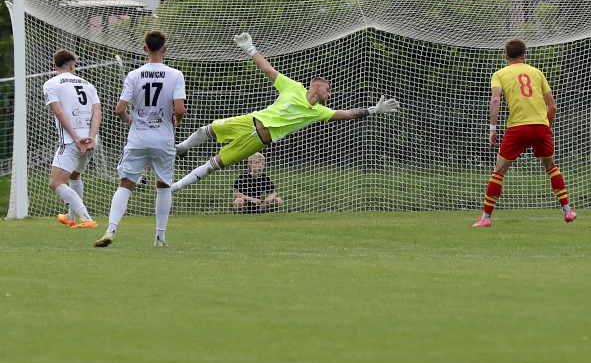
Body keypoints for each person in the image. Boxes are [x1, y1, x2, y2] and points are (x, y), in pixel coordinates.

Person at [169, 33, 400, 192]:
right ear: (317, 87)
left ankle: (173, 187)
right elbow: (268, 70)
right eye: (328, 90)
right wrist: (250, 49)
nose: (329, 95)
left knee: (212, 165)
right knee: (204, 130)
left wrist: (373, 110)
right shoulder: (294, 87)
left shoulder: (318, 111)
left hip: (258, 142)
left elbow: (347, 114)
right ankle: (180, 149)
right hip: (249, 121)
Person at [94, 31, 187, 248]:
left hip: (137, 139)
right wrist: (177, 120)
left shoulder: (134, 75)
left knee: (125, 186)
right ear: (165, 49)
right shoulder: (175, 74)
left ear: (144, 49)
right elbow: (180, 109)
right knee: (163, 187)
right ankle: (160, 238)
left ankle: (111, 230)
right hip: (163, 139)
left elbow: (119, 109)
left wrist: (130, 121)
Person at [473, 37, 575, 227]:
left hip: (517, 128)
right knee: (551, 168)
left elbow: (495, 101)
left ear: (506, 56)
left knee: (499, 172)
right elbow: (552, 106)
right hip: (540, 127)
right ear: (524, 55)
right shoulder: (537, 73)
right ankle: (567, 212)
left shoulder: (500, 74)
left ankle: (486, 219)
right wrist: (548, 127)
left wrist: (493, 129)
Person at [43, 49, 101, 228]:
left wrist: (76, 138)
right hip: (91, 141)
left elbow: (59, 112)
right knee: (75, 175)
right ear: (71, 65)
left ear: (55, 66)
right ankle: (71, 218)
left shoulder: (51, 84)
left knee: (55, 182)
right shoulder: (88, 84)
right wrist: (90, 137)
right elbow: (98, 111)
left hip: (71, 141)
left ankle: (87, 219)